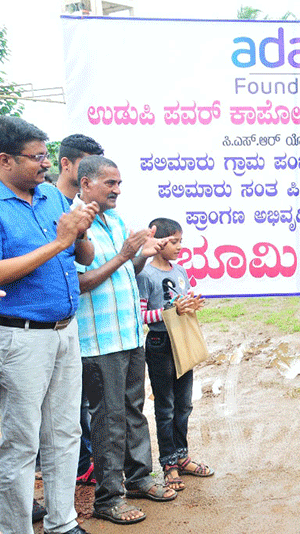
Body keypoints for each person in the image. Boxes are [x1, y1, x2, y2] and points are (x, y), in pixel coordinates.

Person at [0, 116, 98, 534]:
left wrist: (80, 233)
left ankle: (63, 522)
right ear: (5, 160)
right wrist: (59, 241)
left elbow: (84, 256)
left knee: (64, 432)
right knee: (20, 442)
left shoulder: (52, 196)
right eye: (36, 157)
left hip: (65, 331)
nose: (46, 164)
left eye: (46, 155)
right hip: (20, 337)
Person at [75, 155, 175, 525]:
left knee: (133, 410)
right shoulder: (73, 222)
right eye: (110, 183)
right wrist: (124, 255)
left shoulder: (115, 220)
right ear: (86, 184)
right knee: (109, 419)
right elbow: (81, 283)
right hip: (99, 341)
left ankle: (138, 479)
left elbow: (124, 273)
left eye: (119, 183)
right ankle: (108, 498)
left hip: (129, 334)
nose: (117, 190)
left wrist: (140, 257)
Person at [137, 218, 214, 491]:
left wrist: (192, 304)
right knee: (166, 406)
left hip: (182, 340)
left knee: (184, 404)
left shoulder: (180, 271)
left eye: (181, 241)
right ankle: (169, 464)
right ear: (159, 244)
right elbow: (142, 315)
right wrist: (171, 311)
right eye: (174, 242)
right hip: (160, 342)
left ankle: (183, 456)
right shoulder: (145, 275)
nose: (180, 247)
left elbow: (183, 302)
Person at [53, 133, 104, 486]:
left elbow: (83, 258)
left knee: (72, 411)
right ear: (66, 164)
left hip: (69, 324)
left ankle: (80, 467)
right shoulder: (47, 203)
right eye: (87, 164)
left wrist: (81, 231)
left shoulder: (81, 208)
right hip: (34, 325)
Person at [56, 133, 104, 202]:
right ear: (65, 164)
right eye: (89, 165)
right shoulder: (45, 201)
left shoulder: (98, 205)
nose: (95, 171)